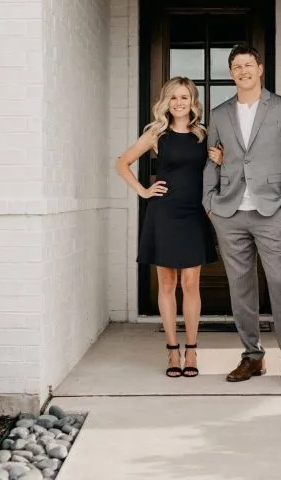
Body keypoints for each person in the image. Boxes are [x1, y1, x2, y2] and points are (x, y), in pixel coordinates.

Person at [203, 43, 281, 387]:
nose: (243, 71)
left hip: (272, 211)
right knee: (240, 288)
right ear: (231, 73)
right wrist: (210, 203)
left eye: (248, 65)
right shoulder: (219, 114)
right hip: (230, 212)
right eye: (237, 66)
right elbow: (212, 159)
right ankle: (252, 356)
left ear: (260, 69)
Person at [116, 77, 224, 378]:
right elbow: (122, 162)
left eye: (184, 97)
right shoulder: (156, 134)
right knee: (166, 284)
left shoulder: (203, 134)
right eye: (173, 98)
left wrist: (222, 160)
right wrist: (143, 191)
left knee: (191, 284)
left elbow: (218, 172)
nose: (179, 103)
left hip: (193, 213)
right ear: (166, 102)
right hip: (163, 214)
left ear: (193, 101)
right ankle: (172, 351)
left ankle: (192, 350)